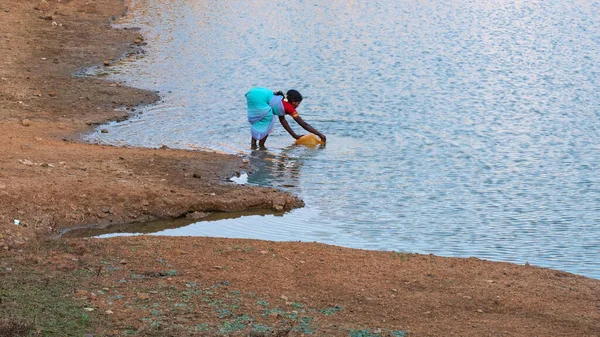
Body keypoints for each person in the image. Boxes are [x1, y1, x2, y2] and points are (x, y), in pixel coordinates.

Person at [246, 87, 326, 148]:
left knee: (260, 122)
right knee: (268, 122)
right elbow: (303, 124)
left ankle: (253, 146)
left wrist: (294, 136)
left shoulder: (282, 102)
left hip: (254, 93)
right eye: (298, 103)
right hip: (259, 96)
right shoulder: (289, 108)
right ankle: (261, 146)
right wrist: (320, 135)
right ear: (294, 101)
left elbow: (283, 121)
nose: (298, 106)